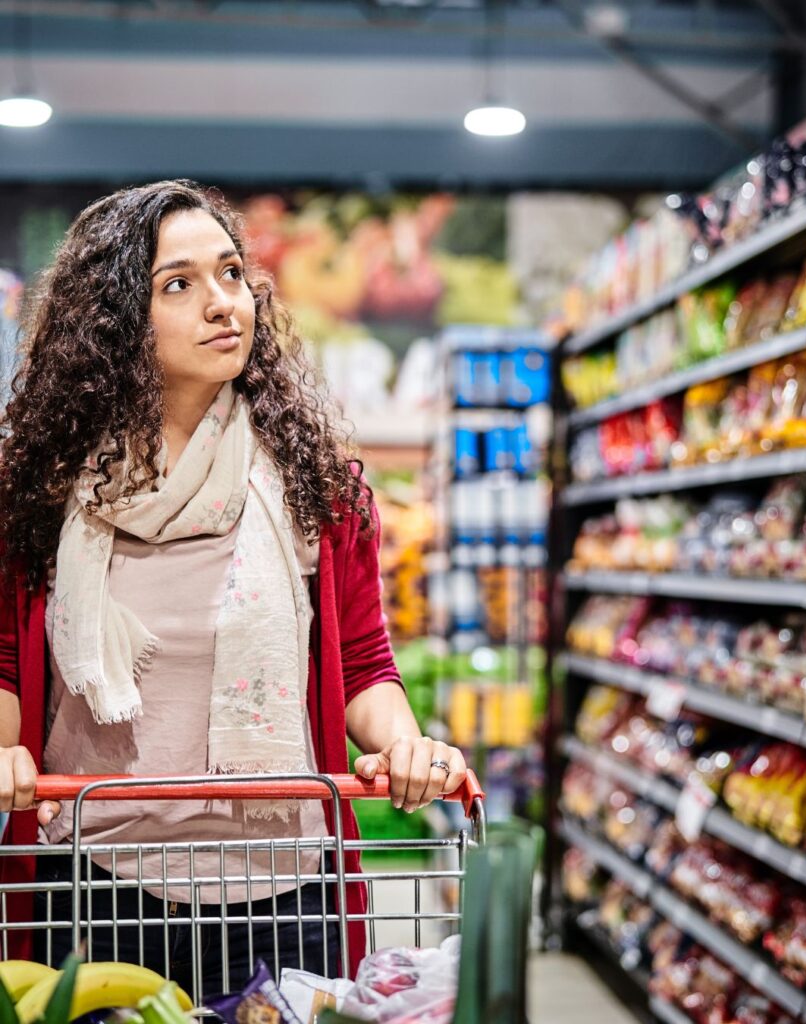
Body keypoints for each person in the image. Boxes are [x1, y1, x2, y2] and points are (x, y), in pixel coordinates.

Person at [0, 180, 467, 987]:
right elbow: (7, 665)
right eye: (177, 285)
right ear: (111, 323)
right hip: (100, 889)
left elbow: (360, 663)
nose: (224, 304)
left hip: (285, 890)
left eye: (229, 274)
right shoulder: (41, 493)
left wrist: (404, 744)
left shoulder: (317, 488)